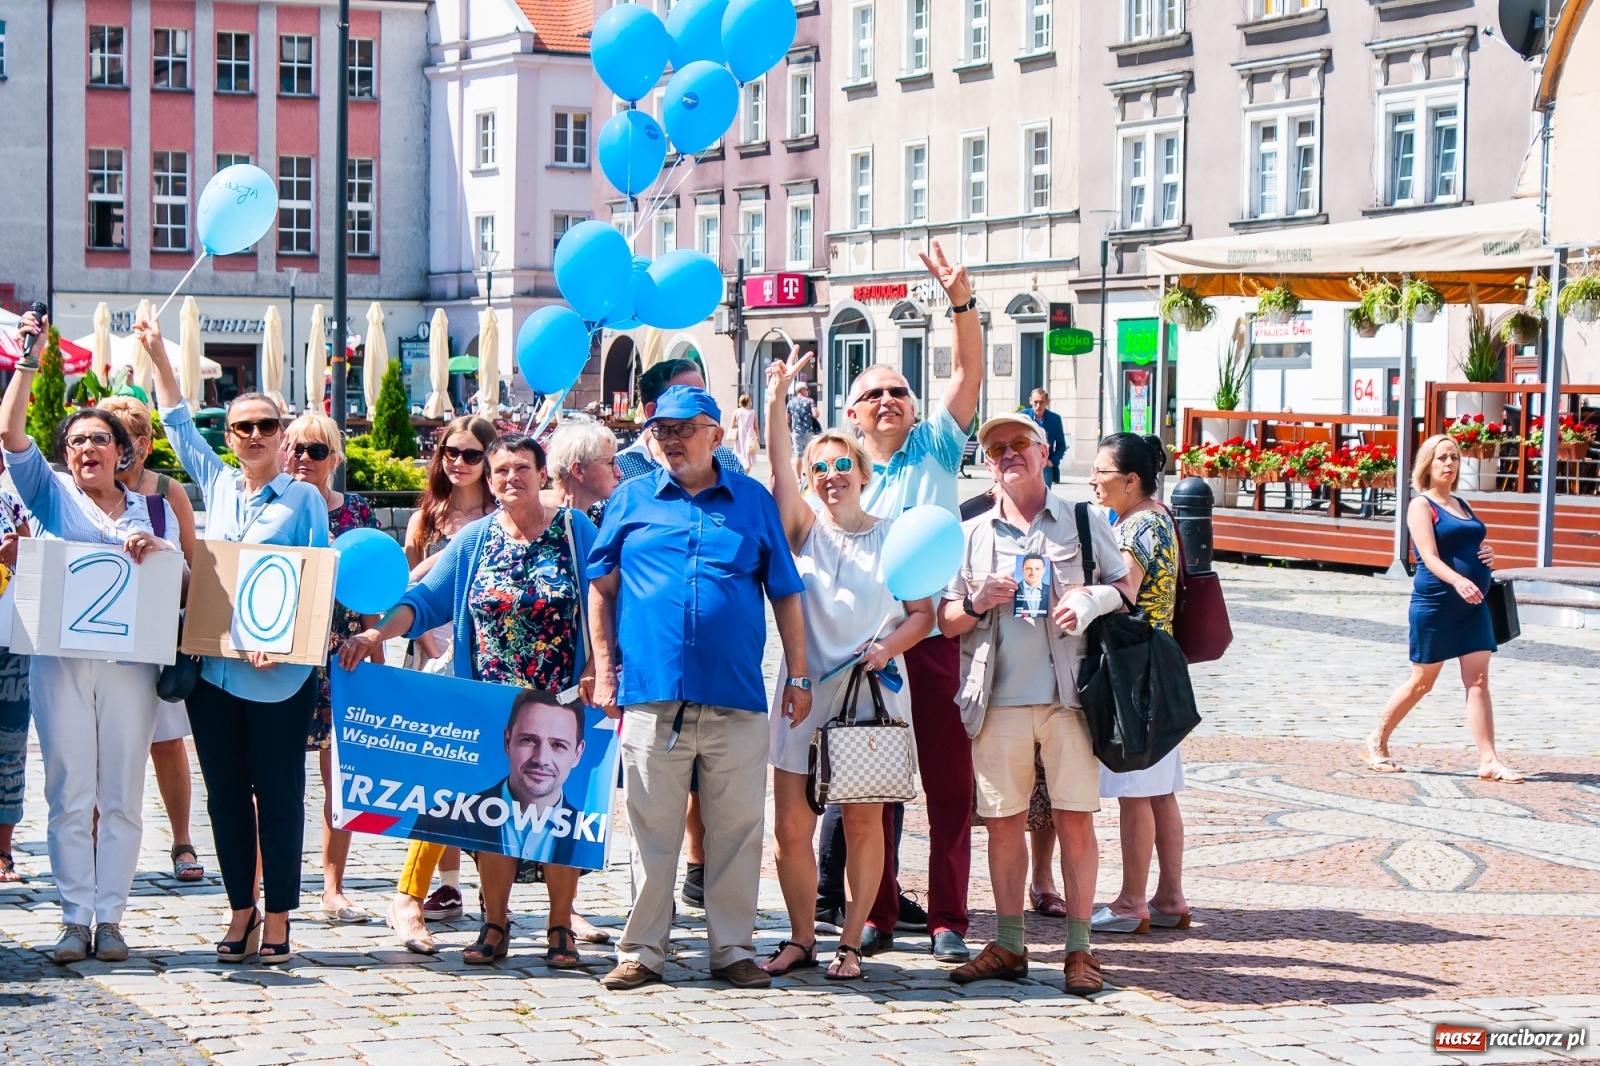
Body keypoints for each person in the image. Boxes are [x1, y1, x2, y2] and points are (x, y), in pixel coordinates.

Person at [340, 435, 597, 968]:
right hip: (490, 704)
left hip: (563, 700)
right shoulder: (476, 539)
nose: (511, 478)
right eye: (501, 470)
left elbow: (606, 598)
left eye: (522, 468)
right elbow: (424, 600)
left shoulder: (575, 532)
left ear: (542, 473)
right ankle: (495, 923)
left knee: (561, 817)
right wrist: (375, 634)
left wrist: (601, 663)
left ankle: (560, 927)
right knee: (491, 815)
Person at [588, 385, 810, 991]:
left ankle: (733, 948)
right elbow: (601, 590)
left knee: (737, 830)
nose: (672, 440)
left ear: (716, 434)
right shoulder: (631, 498)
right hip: (652, 693)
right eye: (661, 429)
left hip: (734, 695)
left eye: (685, 429)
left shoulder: (752, 501)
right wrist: (604, 669)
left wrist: (799, 673)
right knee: (651, 830)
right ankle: (642, 951)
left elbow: (786, 593)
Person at [138, 316, 330, 966]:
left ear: (283, 435)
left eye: (266, 425)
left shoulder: (304, 501)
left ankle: (278, 917)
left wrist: (285, 643)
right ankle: (240, 910)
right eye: (243, 426)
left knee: (277, 796)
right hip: (214, 672)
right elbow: (175, 423)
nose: (254, 435)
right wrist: (158, 354)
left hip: (277, 674)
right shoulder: (218, 484)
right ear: (229, 436)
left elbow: (316, 583)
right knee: (224, 797)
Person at [815, 239, 984, 965]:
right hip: (874, 646)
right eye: (874, 394)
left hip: (936, 635)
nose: (888, 400)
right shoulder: (845, 474)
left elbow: (968, 371)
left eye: (899, 392)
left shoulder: (936, 447)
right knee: (872, 782)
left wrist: (960, 302)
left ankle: (948, 916)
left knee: (949, 784)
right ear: (852, 413)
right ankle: (876, 912)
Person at [2, 309, 185, 963]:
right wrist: (30, 360)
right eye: (77, 441)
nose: (87, 449)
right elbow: (9, 431)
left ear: (122, 453)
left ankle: (112, 918)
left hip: (130, 667)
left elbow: (185, 581)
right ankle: (74, 917)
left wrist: (159, 549)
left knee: (122, 795)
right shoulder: (51, 496)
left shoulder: (153, 508)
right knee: (69, 792)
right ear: (65, 454)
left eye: (100, 440)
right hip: (61, 662)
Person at [936, 413, 1135, 995]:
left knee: (1074, 819)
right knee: (1003, 824)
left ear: (1045, 453)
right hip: (996, 699)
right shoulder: (971, 531)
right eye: (997, 447)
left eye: (1020, 443)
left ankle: (1079, 950)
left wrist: (1092, 600)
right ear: (987, 462)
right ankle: (1009, 944)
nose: (1009, 453)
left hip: (1071, 697)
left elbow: (1127, 586)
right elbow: (947, 621)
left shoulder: (1083, 518)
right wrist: (976, 602)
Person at [758, 356, 934, 981]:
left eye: (841, 466)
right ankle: (801, 937)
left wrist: (887, 648)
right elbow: (779, 464)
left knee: (863, 823)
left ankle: (852, 942)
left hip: (871, 697)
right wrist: (777, 400)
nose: (831, 477)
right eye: (820, 469)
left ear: (862, 472)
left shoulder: (896, 535)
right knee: (791, 827)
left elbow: (924, 615)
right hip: (804, 691)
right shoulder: (803, 529)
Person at [613, 359, 742, 909]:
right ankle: (647, 921)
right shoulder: (624, 473)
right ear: (652, 414)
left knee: (709, 787)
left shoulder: (730, 469)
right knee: (649, 795)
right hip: (648, 669)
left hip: (722, 677)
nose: (690, 417)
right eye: (678, 409)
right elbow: (604, 576)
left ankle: (701, 872)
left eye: (700, 404)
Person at [389, 415, 497, 947]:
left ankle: (492, 898)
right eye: (450, 452)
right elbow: (417, 595)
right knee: (439, 777)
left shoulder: (503, 516)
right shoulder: (426, 517)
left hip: (488, 662)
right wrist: (434, 652)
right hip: (434, 657)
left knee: (490, 783)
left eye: (471, 454)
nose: (458, 462)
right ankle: (431, 889)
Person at [1367, 435, 1520, 782]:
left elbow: (1469, 542)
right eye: (1442, 458)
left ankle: (1489, 760)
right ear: (1428, 464)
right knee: (1422, 682)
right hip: (1436, 604)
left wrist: (1487, 554)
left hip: (1473, 606)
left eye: (1454, 457)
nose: (1449, 463)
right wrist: (1458, 580)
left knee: (1478, 680)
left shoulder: (1461, 504)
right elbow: (1429, 556)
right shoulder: (1421, 505)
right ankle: (1378, 739)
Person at [97, 395, 205, 886]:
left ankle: (182, 840)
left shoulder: (166, 491)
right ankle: (96, 841)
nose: (115, 449)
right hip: (102, 635)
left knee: (166, 741)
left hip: (157, 631)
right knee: (99, 747)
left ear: (142, 444)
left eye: (122, 439)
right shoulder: (86, 489)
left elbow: (195, 562)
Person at [1087, 433, 1192, 934]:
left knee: (1135, 790)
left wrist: (1081, 595)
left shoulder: (1137, 527)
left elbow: (1123, 590)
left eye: (1101, 472)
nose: (1093, 480)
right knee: (1159, 790)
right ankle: (1169, 896)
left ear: (1131, 480)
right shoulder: (1160, 517)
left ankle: (1132, 902)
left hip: (1134, 669)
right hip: (1158, 661)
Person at [282, 413, 382, 924]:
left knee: (340, 778)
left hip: (342, 656)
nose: (304, 458)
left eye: (316, 450)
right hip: (282, 656)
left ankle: (333, 886)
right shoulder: (273, 507)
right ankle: (265, 885)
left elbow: (371, 590)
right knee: (274, 780)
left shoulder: (356, 511)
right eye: (296, 448)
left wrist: (377, 657)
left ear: (334, 459)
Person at [411, 688, 585, 864]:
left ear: (578, 753)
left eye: (558, 745)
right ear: (507, 741)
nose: (541, 759)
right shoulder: (438, 818)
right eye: (529, 740)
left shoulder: (591, 836)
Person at [616, 359, 746, 482]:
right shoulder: (618, 472)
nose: (702, 404)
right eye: (683, 397)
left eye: (703, 396)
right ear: (652, 412)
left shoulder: (726, 460)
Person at [0, 484, 27, 886]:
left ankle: (3, 850)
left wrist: (23, 551)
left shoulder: (10, 501)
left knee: (10, 748)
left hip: (12, 642)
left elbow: (35, 559)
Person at [544, 420, 621, 528]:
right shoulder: (535, 516)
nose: (619, 473)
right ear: (578, 470)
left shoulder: (606, 516)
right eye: (610, 463)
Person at [1025, 389, 1069, 486]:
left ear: (1047, 402)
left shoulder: (1055, 419)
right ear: (1030, 401)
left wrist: (1052, 461)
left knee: (1045, 493)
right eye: (1035, 402)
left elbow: (1061, 445)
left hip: (1045, 465)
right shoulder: (1022, 416)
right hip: (1026, 463)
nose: (1038, 406)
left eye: (1041, 402)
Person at [786, 382, 821, 481]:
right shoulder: (809, 401)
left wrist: (790, 430)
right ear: (802, 390)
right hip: (808, 431)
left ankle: (798, 478)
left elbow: (787, 419)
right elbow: (815, 414)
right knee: (810, 454)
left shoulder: (790, 402)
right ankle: (809, 474)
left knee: (798, 455)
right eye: (806, 389)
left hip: (796, 432)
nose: (808, 391)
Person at [732, 394, 759, 473]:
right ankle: (746, 474)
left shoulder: (736, 411)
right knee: (748, 456)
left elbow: (732, 425)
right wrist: (758, 437)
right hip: (750, 436)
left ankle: (740, 473)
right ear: (748, 402)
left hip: (740, 437)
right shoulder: (752, 412)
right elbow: (756, 426)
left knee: (739, 454)